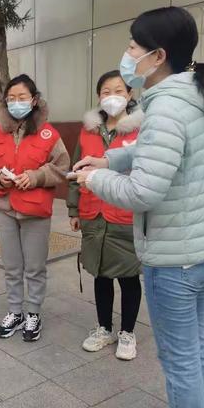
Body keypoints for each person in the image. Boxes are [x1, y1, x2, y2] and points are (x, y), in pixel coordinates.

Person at [71, 7, 204, 408]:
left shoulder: (167, 108)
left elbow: (144, 191)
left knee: (179, 362)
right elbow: (151, 153)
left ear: (158, 56)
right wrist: (107, 160)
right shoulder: (190, 95)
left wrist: (92, 180)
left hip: (174, 258)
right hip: (199, 249)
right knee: (193, 350)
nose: (127, 55)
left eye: (134, 47)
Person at [0, 74, 70, 342]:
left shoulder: (49, 133)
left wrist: (37, 176)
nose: (16, 103)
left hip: (36, 211)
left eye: (22, 98)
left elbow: (62, 166)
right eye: (11, 99)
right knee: (12, 266)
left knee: (35, 267)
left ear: (34, 99)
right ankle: (15, 311)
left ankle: (34, 314)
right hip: (5, 208)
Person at [67, 70, 143, 361]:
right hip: (93, 212)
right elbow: (76, 170)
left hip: (125, 213)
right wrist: (73, 209)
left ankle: (127, 332)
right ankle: (104, 328)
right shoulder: (88, 130)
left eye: (119, 91)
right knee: (100, 273)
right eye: (106, 92)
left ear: (130, 94)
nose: (112, 97)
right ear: (99, 97)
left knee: (127, 275)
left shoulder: (141, 130)